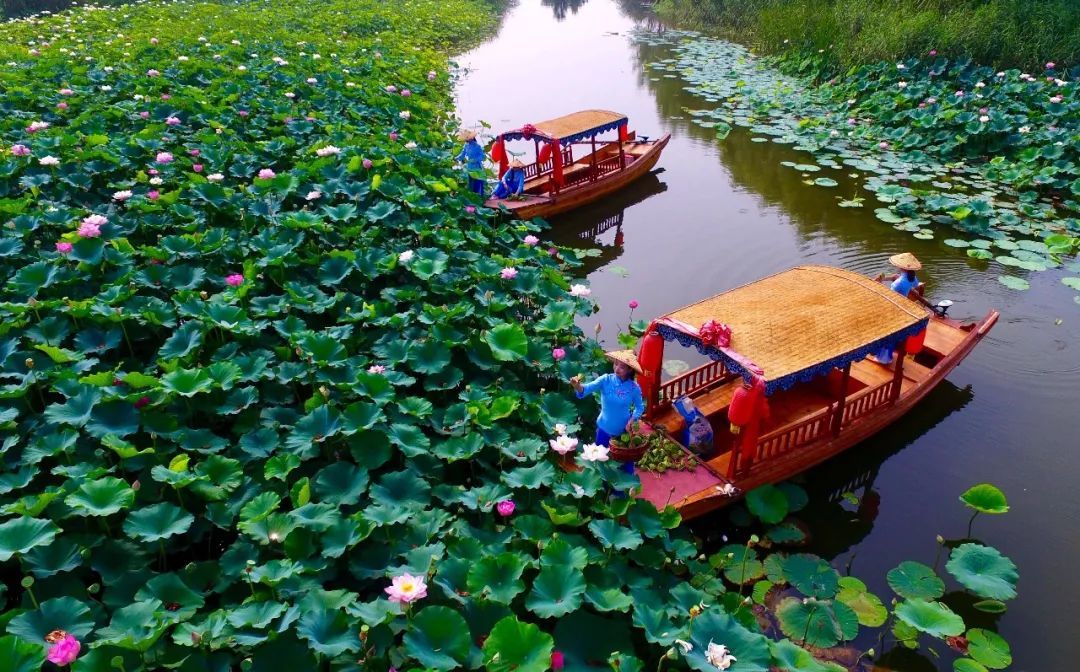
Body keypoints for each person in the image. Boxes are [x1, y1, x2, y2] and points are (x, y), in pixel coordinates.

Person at [569, 350, 645, 448]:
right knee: (600, 458)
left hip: (623, 431)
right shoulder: (605, 380)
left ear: (630, 370)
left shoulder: (634, 388)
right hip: (603, 428)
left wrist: (632, 420)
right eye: (616, 364)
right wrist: (577, 386)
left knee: (622, 461)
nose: (617, 369)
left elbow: (639, 407)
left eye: (622, 367)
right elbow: (585, 389)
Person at [870, 252, 934, 364]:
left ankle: (883, 358)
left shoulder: (898, 284)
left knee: (886, 333)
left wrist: (879, 284)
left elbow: (890, 297)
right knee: (892, 334)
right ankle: (883, 354)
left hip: (894, 309)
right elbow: (912, 285)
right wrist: (887, 278)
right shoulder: (912, 278)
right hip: (904, 307)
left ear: (901, 266)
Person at [455, 129, 487, 197]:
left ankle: (480, 198)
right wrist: (456, 158)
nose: (467, 140)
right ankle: (472, 198)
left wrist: (476, 160)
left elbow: (483, 156)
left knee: (478, 184)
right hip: (469, 168)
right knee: (470, 184)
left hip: (477, 168)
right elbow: (462, 154)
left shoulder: (477, 146)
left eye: (468, 139)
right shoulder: (466, 145)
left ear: (472, 138)